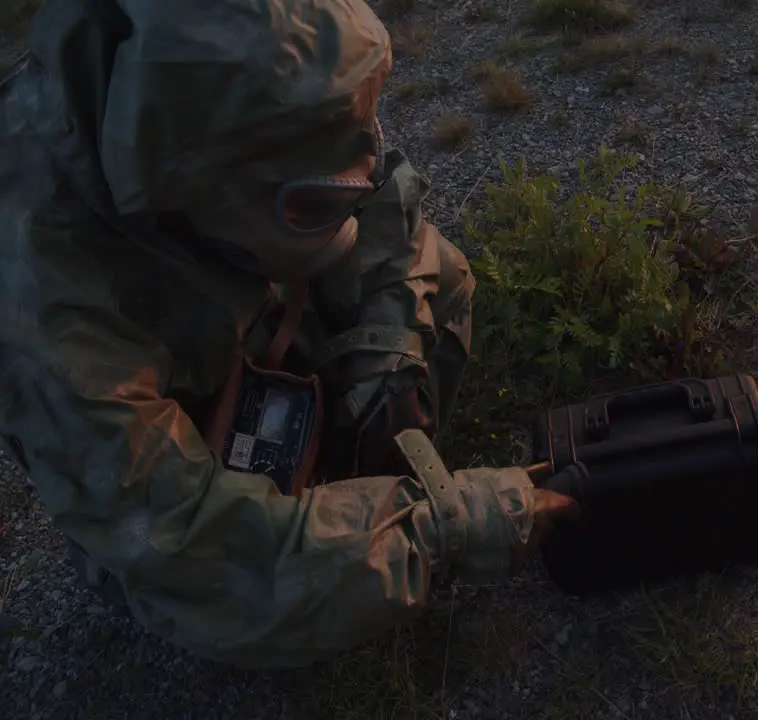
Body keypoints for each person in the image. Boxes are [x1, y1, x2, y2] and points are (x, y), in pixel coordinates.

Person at [0, 0, 581, 668]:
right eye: (314, 204)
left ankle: (334, 496)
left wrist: (386, 356)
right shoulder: (47, 306)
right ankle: (324, 529)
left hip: (234, 302)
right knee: (217, 590)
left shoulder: (240, 92)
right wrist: (448, 525)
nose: (346, 204)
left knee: (435, 281)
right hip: (165, 468)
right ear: (193, 183)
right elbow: (195, 546)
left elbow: (388, 218)